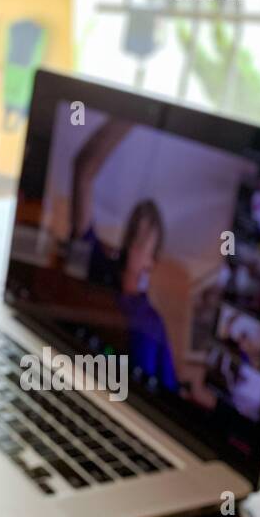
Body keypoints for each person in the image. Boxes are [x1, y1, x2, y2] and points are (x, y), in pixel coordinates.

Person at [70, 117, 179, 392]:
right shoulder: (96, 264)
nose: (131, 245)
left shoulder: (153, 323)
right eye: (131, 233)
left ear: (151, 262)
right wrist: (132, 113)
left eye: (141, 240)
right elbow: (83, 168)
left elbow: (168, 395)